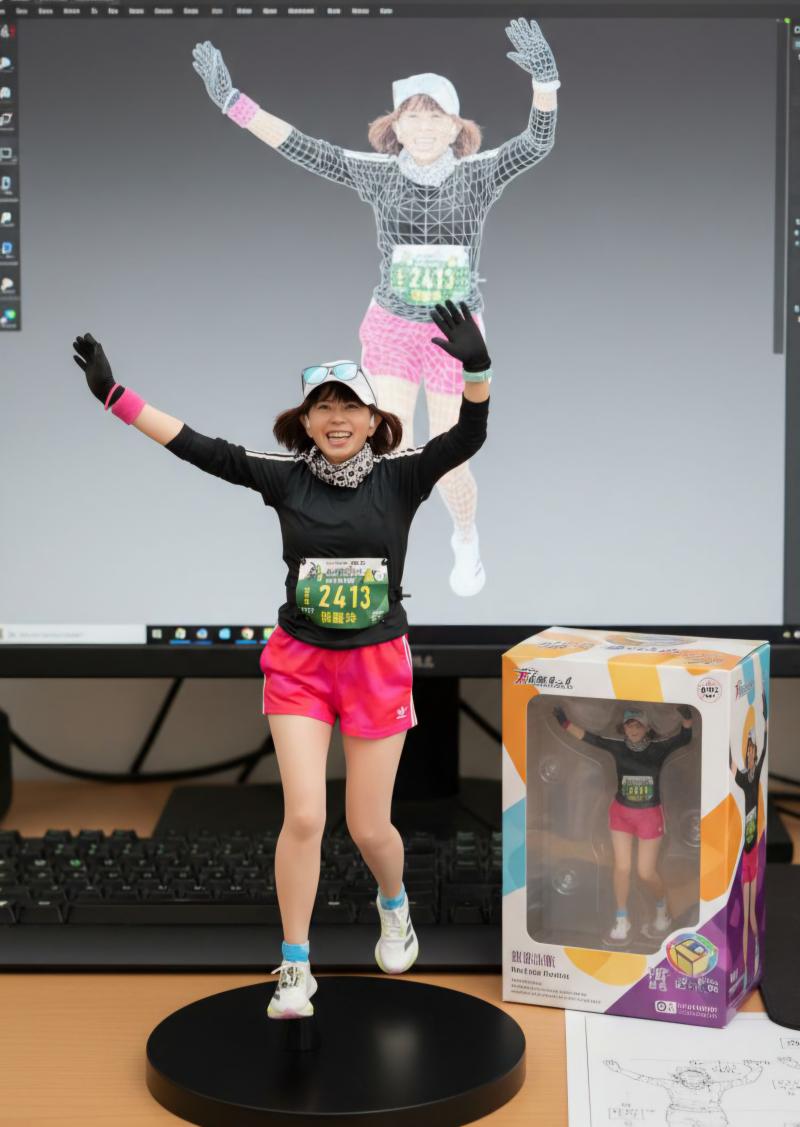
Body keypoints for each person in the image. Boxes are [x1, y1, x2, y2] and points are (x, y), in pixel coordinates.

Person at [71, 299, 491, 1019]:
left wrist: (476, 370)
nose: (337, 417)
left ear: (374, 419)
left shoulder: (403, 474)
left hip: (375, 665)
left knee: (369, 827)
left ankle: (394, 905)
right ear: (305, 420)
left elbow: (471, 434)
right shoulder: (284, 475)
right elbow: (199, 448)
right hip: (300, 665)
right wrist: (115, 396)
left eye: (350, 405)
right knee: (303, 817)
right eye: (322, 406)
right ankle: (296, 966)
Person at [191, 20, 558, 596]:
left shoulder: (480, 175)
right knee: (387, 450)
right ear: (396, 128)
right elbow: (303, 148)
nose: (424, 127)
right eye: (413, 117)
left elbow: (536, 144)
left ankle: (465, 535)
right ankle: (382, 561)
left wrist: (545, 82)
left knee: (450, 461)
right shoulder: (377, 173)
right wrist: (232, 102)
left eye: (436, 117)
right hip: (391, 327)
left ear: (455, 127)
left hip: (455, 333)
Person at [553, 704, 694, 944]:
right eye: (629, 726)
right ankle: (622, 919)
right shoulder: (617, 747)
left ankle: (662, 910)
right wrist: (564, 722)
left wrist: (687, 718)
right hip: (621, 814)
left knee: (645, 872)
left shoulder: (658, 749)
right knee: (622, 868)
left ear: (646, 728)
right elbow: (590, 738)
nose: (633, 730)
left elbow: (684, 738)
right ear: (624, 728)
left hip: (649, 816)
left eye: (638, 725)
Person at [729, 689, 768, 990]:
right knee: (744, 920)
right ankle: (743, 969)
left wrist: (764, 708)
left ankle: (752, 964)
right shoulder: (743, 779)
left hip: (756, 854)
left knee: (753, 915)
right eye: (750, 754)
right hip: (746, 854)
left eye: (754, 753)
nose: (753, 756)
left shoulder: (756, 774)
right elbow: (730, 765)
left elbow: (764, 739)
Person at [604, 1059, 762, 1127]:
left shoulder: (715, 1087)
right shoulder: (672, 1085)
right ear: (680, 1077)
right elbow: (644, 1079)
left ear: (705, 1078)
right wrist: (619, 1070)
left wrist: (757, 1069)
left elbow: (745, 1080)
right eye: (687, 1075)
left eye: (696, 1075)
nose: (692, 1078)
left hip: (711, 1116)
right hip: (680, 1115)